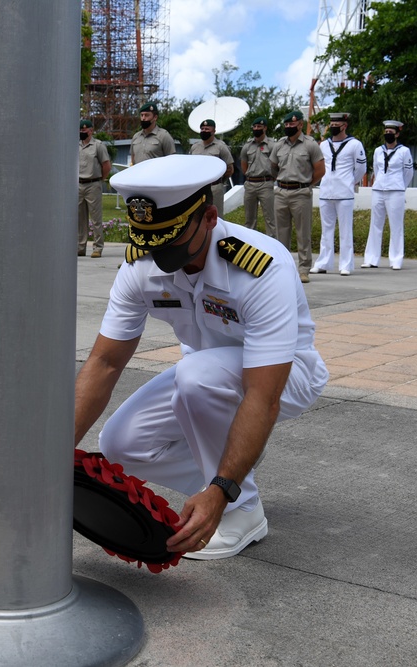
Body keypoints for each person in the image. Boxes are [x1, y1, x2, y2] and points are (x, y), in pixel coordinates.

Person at [73, 154, 329, 560]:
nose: (158, 252)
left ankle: (241, 510)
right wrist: (51, 455)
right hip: (205, 374)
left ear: (209, 217)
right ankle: (234, 477)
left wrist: (222, 491)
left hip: (286, 376)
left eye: (170, 238)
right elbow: (105, 363)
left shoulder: (260, 268)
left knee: (196, 376)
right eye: (148, 239)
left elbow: (263, 396)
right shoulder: (141, 266)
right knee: (122, 443)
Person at [270, 110, 326, 283]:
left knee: (303, 233)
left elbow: (320, 170)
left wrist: (306, 184)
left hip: (301, 193)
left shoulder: (310, 145)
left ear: (300, 125)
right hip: (281, 192)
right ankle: (284, 269)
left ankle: (303, 270)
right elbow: (273, 167)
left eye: (292, 124)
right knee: (281, 234)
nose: (289, 127)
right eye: (286, 125)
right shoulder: (279, 145)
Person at [311, 112, 366, 276]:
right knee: (326, 230)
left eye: (337, 124)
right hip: (326, 191)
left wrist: (350, 181)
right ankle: (323, 263)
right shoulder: (323, 145)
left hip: (344, 193)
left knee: (345, 230)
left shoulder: (355, 144)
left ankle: (346, 265)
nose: (334, 127)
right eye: (332, 124)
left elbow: (361, 169)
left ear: (345, 125)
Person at [363, 120, 415, 270]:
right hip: (379, 190)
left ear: (397, 134)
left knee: (396, 226)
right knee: (375, 224)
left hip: (396, 191)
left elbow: (408, 173)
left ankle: (396, 259)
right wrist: (380, 183)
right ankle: (371, 258)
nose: (388, 135)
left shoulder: (404, 151)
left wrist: (400, 186)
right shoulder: (378, 150)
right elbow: (377, 170)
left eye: (391, 133)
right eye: (386, 133)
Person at [78, 119, 112, 258]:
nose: (82, 132)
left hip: (93, 184)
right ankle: (80, 247)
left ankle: (98, 247)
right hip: (78, 184)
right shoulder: (76, 146)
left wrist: (99, 180)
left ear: (91, 131)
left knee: (96, 219)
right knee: (79, 218)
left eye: (85, 130)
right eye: (80, 130)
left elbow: (107, 166)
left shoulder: (98, 146)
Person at [189, 119, 234, 217]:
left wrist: (219, 180)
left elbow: (230, 169)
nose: (204, 131)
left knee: (215, 216)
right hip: (197, 187)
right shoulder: (195, 147)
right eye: (202, 129)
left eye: (207, 129)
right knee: (197, 215)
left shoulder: (221, 147)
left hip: (214, 187)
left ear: (213, 131)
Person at [240, 116, 277, 234]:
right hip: (250, 184)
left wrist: (272, 178)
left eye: (259, 127)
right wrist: (249, 176)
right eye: (255, 126)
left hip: (266, 183)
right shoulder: (247, 146)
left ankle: (272, 247)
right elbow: (243, 165)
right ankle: (250, 245)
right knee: (249, 220)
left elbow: (277, 165)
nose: (256, 128)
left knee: (270, 219)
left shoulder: (272, 145)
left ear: (265, 128)